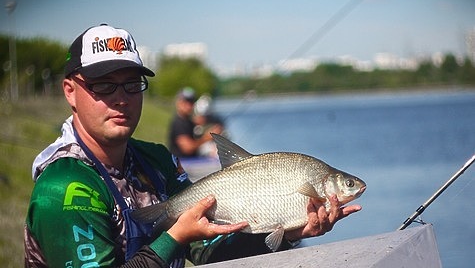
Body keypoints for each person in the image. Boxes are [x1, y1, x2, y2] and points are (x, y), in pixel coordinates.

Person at [24, 24, 362, 268]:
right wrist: (174, 237)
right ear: (70, 91)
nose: (121, 99)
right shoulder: (63, 188)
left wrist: (288, 231)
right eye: (103, 86)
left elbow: (205, 252)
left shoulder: (156, 162)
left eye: (131, 84)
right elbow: (182, 241)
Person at [168, 87, 222, 158]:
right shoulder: (178, 123)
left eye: (191, 101)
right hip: (182, 164)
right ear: (178, 102)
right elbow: (187, 148)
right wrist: (207, 137)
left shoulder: (188, 121)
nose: (188, 105)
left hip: (192, 161)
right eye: (185, 101)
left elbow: (197, 122)